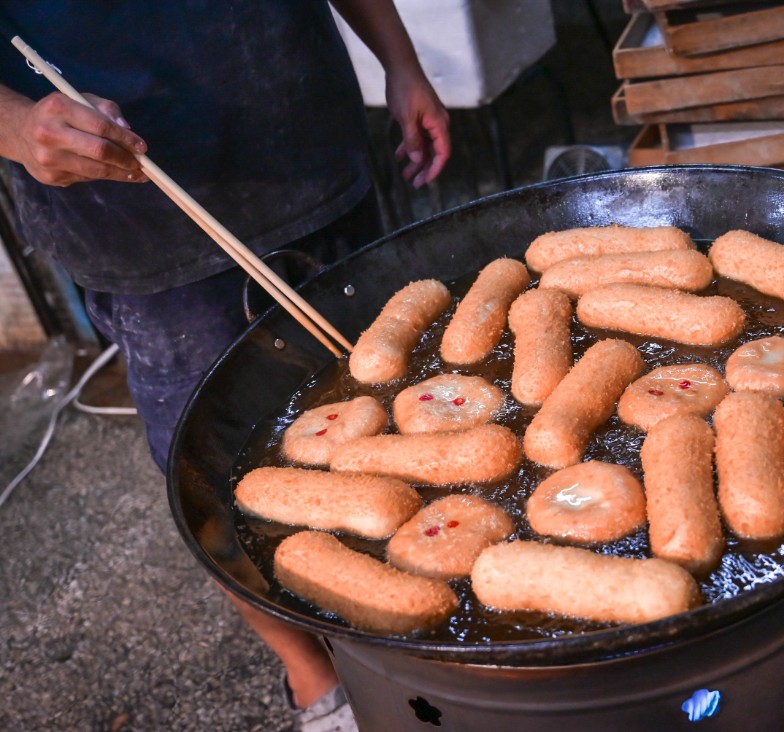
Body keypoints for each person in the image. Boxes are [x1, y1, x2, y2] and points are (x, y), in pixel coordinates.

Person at [0, 2, 449, 730]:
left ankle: (415, 644)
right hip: (137, 216)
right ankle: (314, 677)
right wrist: (16, 127)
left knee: (404, 413)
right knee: (219, 492)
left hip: (313, 143)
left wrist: (400, 63)